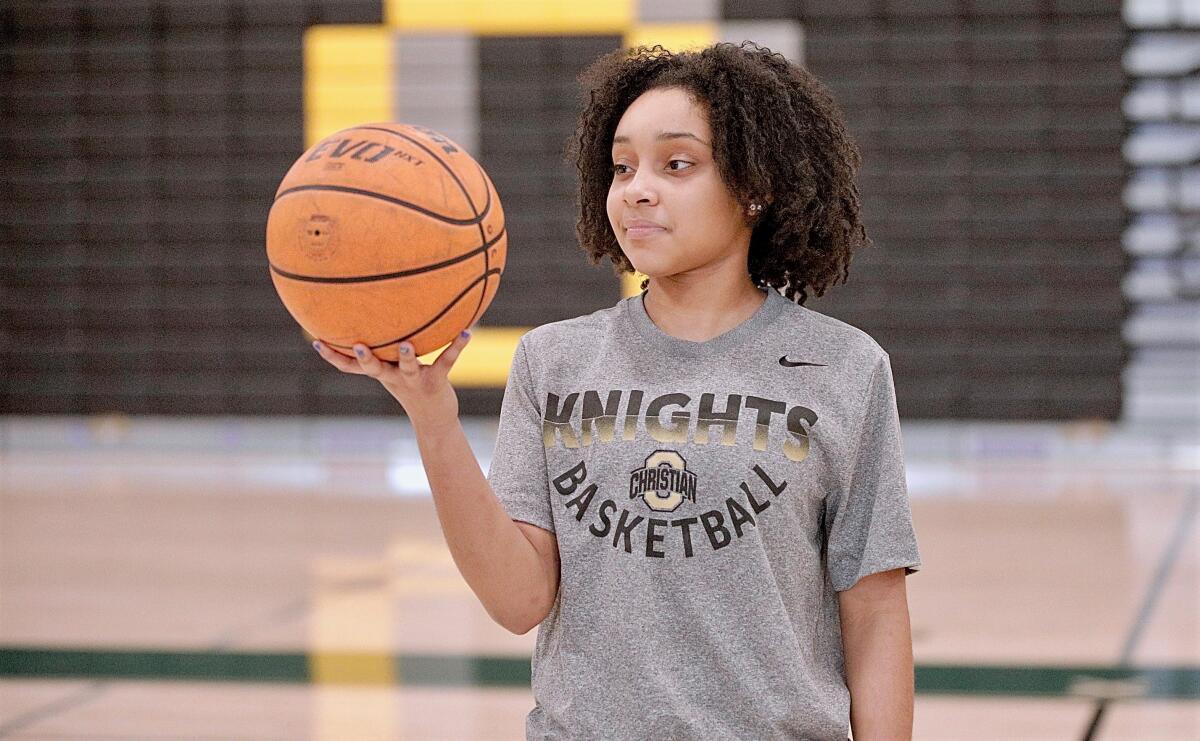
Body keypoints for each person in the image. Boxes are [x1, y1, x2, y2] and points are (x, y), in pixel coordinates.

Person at [314, 40, 921, 741]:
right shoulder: (554, 361)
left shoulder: (844, 367)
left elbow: (875, 615)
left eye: (677, 164)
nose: (636, 188)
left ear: (755, 187)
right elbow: (518, 600)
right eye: (622, 166)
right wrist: (432, 415)